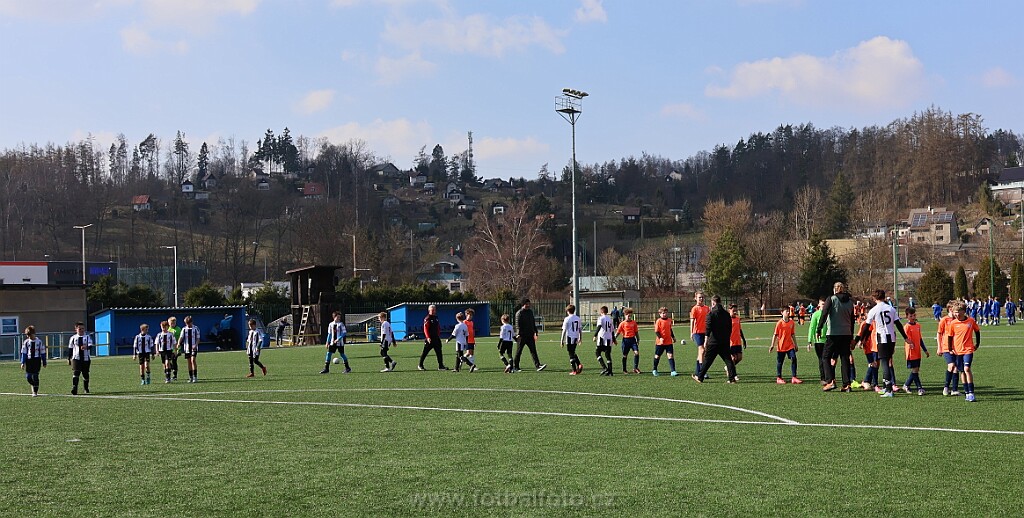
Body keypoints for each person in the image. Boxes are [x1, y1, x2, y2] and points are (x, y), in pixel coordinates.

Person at [861, 289, 909, 398]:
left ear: (874, 298)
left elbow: (866, 326)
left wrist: (861, 339)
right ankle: (885, 387)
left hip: (882, 338)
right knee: (887, 361)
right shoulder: (891, 308)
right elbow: (898, 324)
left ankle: (888, 389)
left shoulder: (874, 310)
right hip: (891, 338)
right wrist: (905, 338)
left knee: (884, 363)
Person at [817, 282, 856, 392]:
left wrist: (819, 328)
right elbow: (852, 320)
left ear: (835, 289)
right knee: (845, 358)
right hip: (846, 333)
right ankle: (846, 384)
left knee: (825, 356)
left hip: (833, 333)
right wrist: (851, 335)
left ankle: (830, 381)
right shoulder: (850, 302)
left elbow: (824, 313)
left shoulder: (832, 299)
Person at [694, 295, 736, 383]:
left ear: (713, 302)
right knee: (728, 360)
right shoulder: (726, 314)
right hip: (724, 341)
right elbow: (730, 327)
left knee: (708, 360)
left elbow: (708, 328)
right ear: (720, 302)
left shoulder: (711, 314)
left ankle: (700, 377)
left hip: (714, 341)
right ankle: (732, 379)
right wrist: (727, 338)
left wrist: (706, 340)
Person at [948, 301, 981, 402]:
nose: (956, 314)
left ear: (963, 311)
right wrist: (950, 349)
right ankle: (967, 392)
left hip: (968, 349)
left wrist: (977, 344)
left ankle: (971, 393)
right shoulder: (953, 323)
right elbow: (950, 336)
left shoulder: (970, 321)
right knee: (962, 371)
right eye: (955, 312)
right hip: (957, 351)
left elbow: (977, 331)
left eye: (958, 312)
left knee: (967, 368)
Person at [901, 307, 929, 395]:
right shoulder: (906, 327)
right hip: (911, 352)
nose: (913, 317)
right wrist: (911, 344)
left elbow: (920, 339)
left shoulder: (918, 326)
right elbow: (907, 339)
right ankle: (919, 388)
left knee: (916, 370)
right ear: (907, 317)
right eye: (911, 316)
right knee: (915, 369)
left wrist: (925, 350)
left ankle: (906, 385)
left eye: (914, 315)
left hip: (917, 352)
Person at [513, 299, 546, 372]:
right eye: (526, 304)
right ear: (523, 304)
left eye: (528, 304)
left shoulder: (530, 312)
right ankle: (516, 367)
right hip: (522, 336)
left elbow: (533, 323)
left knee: (533, 351)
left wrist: (536, 332)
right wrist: (519, 334)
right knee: (519, 351)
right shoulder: (519, 313)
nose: (528, 305)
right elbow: (517, 325)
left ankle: (538, 366)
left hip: (530, 335)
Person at [769, 308, 800, 384]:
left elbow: (792, 334)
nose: (788, 312)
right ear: (782, 312)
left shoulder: (792, 322)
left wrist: (795, 344)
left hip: (790, 346)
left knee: (794, 358)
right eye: (786, 311)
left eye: (789, 311)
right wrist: (772, 345)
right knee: (780, 362)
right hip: (781, 346)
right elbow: (775, 335)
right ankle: (779, 378)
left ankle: (794, 377)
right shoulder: (779, 323)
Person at [937, 301, 961, 396]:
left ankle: (954, 389)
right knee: (951, 365)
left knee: (956, 368)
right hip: (946, 347)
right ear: (950, 309)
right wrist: (939, 347)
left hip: (957, 348)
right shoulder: (944, 320)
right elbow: (939, 334)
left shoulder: (958, 320)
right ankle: (946, 387)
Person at [419, 304, 448, 371]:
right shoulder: (427, 318)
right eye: (432, 310)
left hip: (436, 338)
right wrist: (428, 337)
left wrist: (438, 335)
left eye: (434, 310)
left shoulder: (436, 318)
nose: (433, 311)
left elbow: (438, 327)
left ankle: (441, 366)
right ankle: (420, 365)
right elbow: (425, 329)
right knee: (425, 352)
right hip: (430, 339)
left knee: (439, 352)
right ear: (429, 310)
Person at [854, 314, 879, 392]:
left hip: (876, 346)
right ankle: (867, 381)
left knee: (876, 364)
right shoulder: (864, 323)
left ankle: (871, 382)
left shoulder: (876, 322)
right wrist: (856, 343)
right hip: (868, 347)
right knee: (872, 363)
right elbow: (859, 335)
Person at [68, 321, 93, 395]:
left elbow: (91, 346)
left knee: (85, 374)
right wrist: (69, 358)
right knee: (76, 372)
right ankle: (74, 388)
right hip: (76, 358)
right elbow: (70, 348)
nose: (81, 330)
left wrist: (86, 347)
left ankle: (86, 388)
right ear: (76, 329)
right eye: (80, 329)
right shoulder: (73, 338)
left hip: (86, 358)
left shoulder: (87, 337)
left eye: (83, 328)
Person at [20, 325, 46, 396]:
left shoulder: (39, 342)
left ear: (33, 333)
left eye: (30, 335)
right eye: (27, 335)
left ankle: (35, 392)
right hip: (29, 361)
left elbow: (43, 352)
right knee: (28, 377)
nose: (28, 337)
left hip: (37, 360)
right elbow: (24, 353)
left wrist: (44, 362)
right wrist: (22, 362)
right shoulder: (26, 342)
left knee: (35, 376)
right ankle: (34, 385)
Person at [652, 307, 678, 376]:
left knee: (670, 355)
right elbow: (656, 331)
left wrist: (673, 337)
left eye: (666, 313)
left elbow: (670, 329)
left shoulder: (669, 320)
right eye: (663, 313)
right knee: (657, 356)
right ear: (660, 314)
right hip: (660, 343)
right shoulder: (658, 321)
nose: (665, 314)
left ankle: (673, 371)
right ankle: (654, 369)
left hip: (668, 342)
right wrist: (660, 338)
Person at [615, 307, 641, 374]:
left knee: (636, 353)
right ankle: (624, 370)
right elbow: (617, 333)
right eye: (628, 316)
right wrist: (614, 339)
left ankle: (635, 368)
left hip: (633, 340)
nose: (629, 317)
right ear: (625, 315)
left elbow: (636, 332)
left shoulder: (634, 323)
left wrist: (638, 339)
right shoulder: (622, 323)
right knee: (625, 355)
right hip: (625, 341)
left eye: (630, 316)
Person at [807, 298, 827, 385]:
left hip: (828, 340)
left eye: (825, 304)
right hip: (819, 341)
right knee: (822, 359)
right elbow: (812, 327)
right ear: (819, 305)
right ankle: (823, 378)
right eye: (822, 304)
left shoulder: (829, 314)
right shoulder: (816, 314)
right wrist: (809, 340)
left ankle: (829, 377)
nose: (824, 306)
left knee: (828, 359)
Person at [690, 292, 709, 377]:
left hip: (705, 332)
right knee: (702, 350)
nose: (701, 299)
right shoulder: (694, 309)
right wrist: (691, 332)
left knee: (702, 353)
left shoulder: (707, 308)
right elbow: (692, 321)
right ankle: (702, 372)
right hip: (697, 332)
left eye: (702, 297)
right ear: (695, 298)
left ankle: (697, 371)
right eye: (699, 297)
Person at [593, 305, 616, 376]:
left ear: (601, 312)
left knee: (597, 352)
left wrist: (595, 335)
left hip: (602, 338)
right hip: (609, 338)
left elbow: (599, 326)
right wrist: (614, 339)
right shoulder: (610, 319)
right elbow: (612, 330)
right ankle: (610, 371)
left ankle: (604, 368)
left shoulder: (601, 318)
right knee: (607, 355)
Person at [560, 304, 583, 375]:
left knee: (570, 353)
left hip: (570, 337)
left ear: (568, 311)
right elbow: (580, 329)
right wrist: (580, 338)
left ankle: (574, 370)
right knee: (572, 352)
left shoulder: (567, 319)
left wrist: (561, 340)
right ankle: (579, 364)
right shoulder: (578, 318)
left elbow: (564, 330)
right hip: (576, 336)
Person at [178, 316, 201, 383]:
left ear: (191, 322)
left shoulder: (196, 328)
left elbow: (198, 338)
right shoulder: (184, 329)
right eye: (186, 323)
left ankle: (195, 377)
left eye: (189, 323)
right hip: (187, 348)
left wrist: (196, 345)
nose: (188, 325)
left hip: (194, 348)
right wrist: (178, 343)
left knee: (193, 360)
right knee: (189, 362)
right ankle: (190, 377)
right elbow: (181, 337)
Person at [727, 304, 747, 379]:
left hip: (737, 341)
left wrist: (744, 339)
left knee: (739, 358)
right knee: (732, 358)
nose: (735, 312)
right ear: (729, 310)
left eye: (736, 311)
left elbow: (740, 329)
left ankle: (728, 367)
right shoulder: (727, 319)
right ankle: (734, 374)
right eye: (733, 311)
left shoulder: (738, 319)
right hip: (730, 342)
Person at [167, 316, 182, 381]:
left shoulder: (178, 329)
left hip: (176, 348)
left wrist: (178, 348)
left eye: (174, 323)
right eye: (171, 323)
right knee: (168, 361)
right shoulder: (168, 330)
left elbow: (180, 338)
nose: (173, 324)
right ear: (169, 323)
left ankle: (175, 375)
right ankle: (172, 370)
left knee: (174, 360)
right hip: (169, 348)